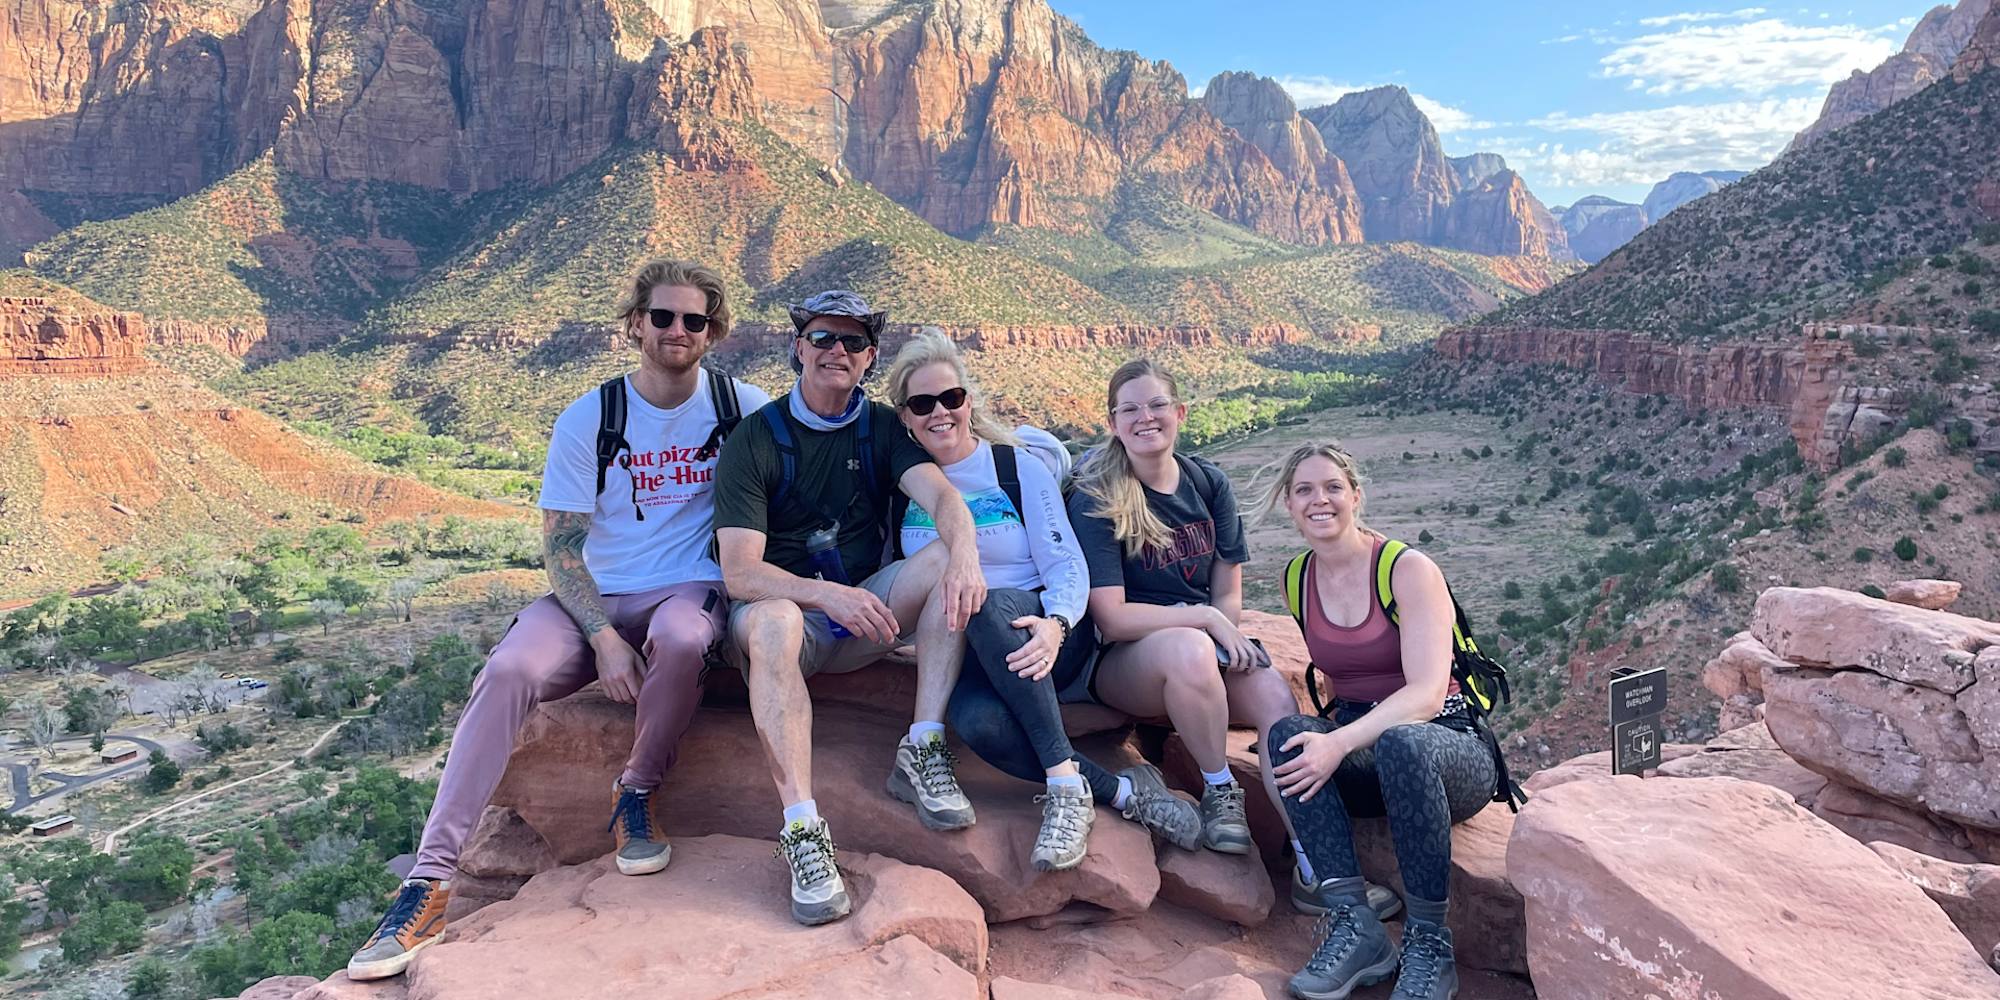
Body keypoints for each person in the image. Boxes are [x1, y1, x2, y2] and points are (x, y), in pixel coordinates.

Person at [346, 260, 771, 981]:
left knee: (685, 637)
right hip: (596, 597)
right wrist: (603, 637)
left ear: (714, 332)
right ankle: (428, 883)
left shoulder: (743, 407)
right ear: (635, 323)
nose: (676, 331)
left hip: (688, 591)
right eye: (661, 317)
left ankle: (635, 792)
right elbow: (561, 545)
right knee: (509, 670)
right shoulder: (593, 417)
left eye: (693, 320)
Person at [713, 291, 987, 927]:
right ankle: (804, 833)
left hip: (866, 616)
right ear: (797, 348)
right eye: (823, 337)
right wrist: (824, 593)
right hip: (788, 622)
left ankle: (922, 747)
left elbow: (943, 498)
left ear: (869, 358)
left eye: (853, 342)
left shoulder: (882, 428)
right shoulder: (757, 439)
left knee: (946, 559)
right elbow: (740, 573)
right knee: (778, 618)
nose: (837, 350)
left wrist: (966, 548)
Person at [884, 331, 1202, 873]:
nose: (940, 413)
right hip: (974, 656)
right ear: (907, 418)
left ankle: (1063, 789)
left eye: (952, 398)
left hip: (1046, 633)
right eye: (922, 404)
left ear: (968, 401)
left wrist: (1056, 624)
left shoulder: (1014, 468)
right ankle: (1121, 792)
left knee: (984, 598)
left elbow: (1067, 566)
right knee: (981, 727)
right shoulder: (904, 487)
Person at [1261, 442, 1497, 1000]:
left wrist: (1338, 743)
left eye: (1332, 487)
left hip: (1446, 747)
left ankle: (1429, 944)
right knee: (1288, 738)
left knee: (1404, 744)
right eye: (1304, 491)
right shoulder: (1296, 578)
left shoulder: (1406, 568)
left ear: (1356, 495)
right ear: (1289, 507)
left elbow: (1426, 695)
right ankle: (1355, 924)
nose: (1320, 500)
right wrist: (1332, 742)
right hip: (1367, 749)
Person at [1064, 359, 1301, 855]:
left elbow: (1227, 591)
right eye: (1129, 409)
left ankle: (1314, 860)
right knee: (1191, 649)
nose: (1145, 417)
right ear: (1113, 424)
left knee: (1276, 698)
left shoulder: (1207, 483)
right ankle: (1221, 792)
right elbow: (1112, 617)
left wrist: (1221, 627)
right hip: (1124, 664)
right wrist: (1206, 620)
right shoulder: (1097, 497)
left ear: (1181, 412)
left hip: (1200, 655)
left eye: (1156, 405)